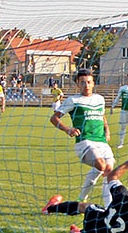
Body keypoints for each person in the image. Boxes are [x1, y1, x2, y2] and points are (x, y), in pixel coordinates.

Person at [51, 69, 123, 206]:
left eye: (89, 82)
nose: (86, 85)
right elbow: (54, 118)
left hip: (101, 141)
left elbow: (102, 116)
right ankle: (84, 199)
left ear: (93, 83)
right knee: (101, 165)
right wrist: (68, 129)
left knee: (108, 172)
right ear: (78, 84)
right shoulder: (73, 100)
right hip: (84, 141)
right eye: (82, 83)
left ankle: (106, 206)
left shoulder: (99, 99)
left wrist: (107, 130)